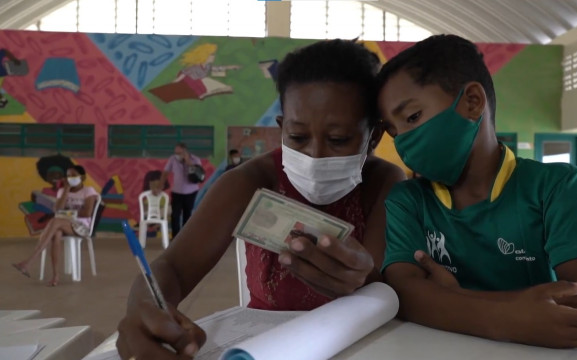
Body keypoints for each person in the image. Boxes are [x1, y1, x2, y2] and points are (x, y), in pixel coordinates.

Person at [116, 39, 405, 359]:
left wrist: (365, 280)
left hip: (359, 343)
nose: (315, 154)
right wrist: (147, 311)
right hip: (263, 345)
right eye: (297, 137)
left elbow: (385, 287)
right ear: (282, 128)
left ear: (374, 135)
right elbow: (174, 267)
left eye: (338, 139)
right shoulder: (249, 182)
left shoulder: (384, 182)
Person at [377, 34, 577, 349]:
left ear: (472, 101)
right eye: (394, 132)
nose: (403, 142)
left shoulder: (559, 186)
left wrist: (451, 298)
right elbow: (403, 294)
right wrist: (511, 316)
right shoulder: (407, 200)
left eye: (412, 118)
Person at [12, 165, 98, 286]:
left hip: (82, 227)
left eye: (73, 176)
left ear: (82, 177)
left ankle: (29, 261)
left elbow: (87, 212)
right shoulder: (62, 191)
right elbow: (58, 209)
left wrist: (69, 213)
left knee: (55, 221)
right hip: (64, 224)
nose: (70, 178)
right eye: (68, 176)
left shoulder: (88, 190)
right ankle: (55, 276)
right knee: (56, 233)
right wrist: (66, 190)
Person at [160, 143, 201, 239]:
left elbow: (198, 173)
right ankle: (175, 238)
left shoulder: (195, 159)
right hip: (177, 192)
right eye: (176, 153)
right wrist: (160, 185)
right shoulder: (173, 159)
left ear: (185, 152)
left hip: (191, 192)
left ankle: (185, 237)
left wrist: (188, 162)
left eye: (180, 153)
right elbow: (165, 172)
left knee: (187, 214)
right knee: (175, 215)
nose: (177, 155)